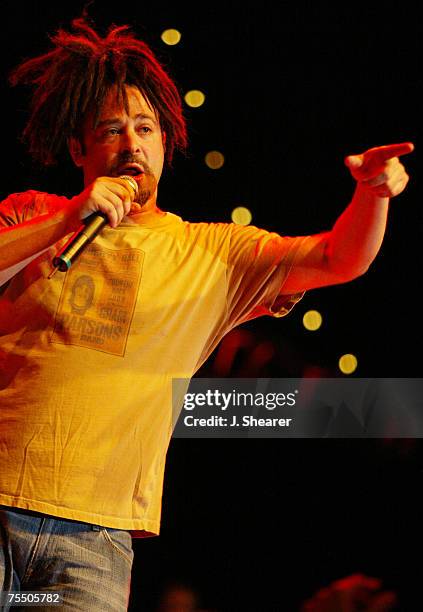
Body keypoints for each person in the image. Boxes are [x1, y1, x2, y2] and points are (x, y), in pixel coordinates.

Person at [0, 16, 413, 612]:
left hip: (93, 538)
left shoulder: (210, 251)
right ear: (77, 148)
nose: (132, 144)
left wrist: (372, 195)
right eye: (111, 130)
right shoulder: (31, 214)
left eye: (145, 128)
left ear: (165, 143)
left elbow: (338, 258)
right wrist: (66, 219)